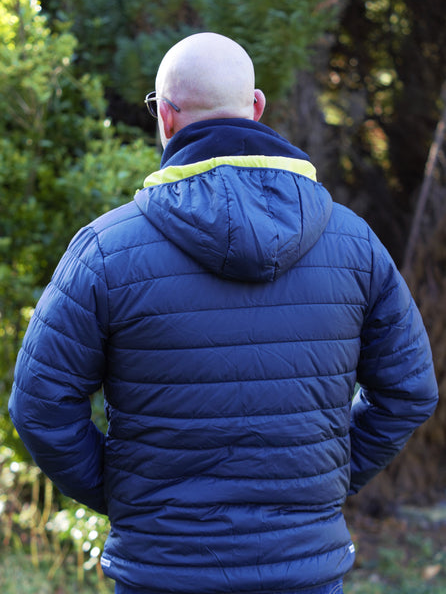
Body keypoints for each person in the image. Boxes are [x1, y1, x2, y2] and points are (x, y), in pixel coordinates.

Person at [9, 32, 438, 594]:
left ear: (164, 116)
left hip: (163, 572)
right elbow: (410, 390)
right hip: (303, 572)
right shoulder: (355, 244)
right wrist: (325, 479)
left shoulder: (106, 250)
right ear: (256, 107)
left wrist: (127, 494)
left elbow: (40, 407)